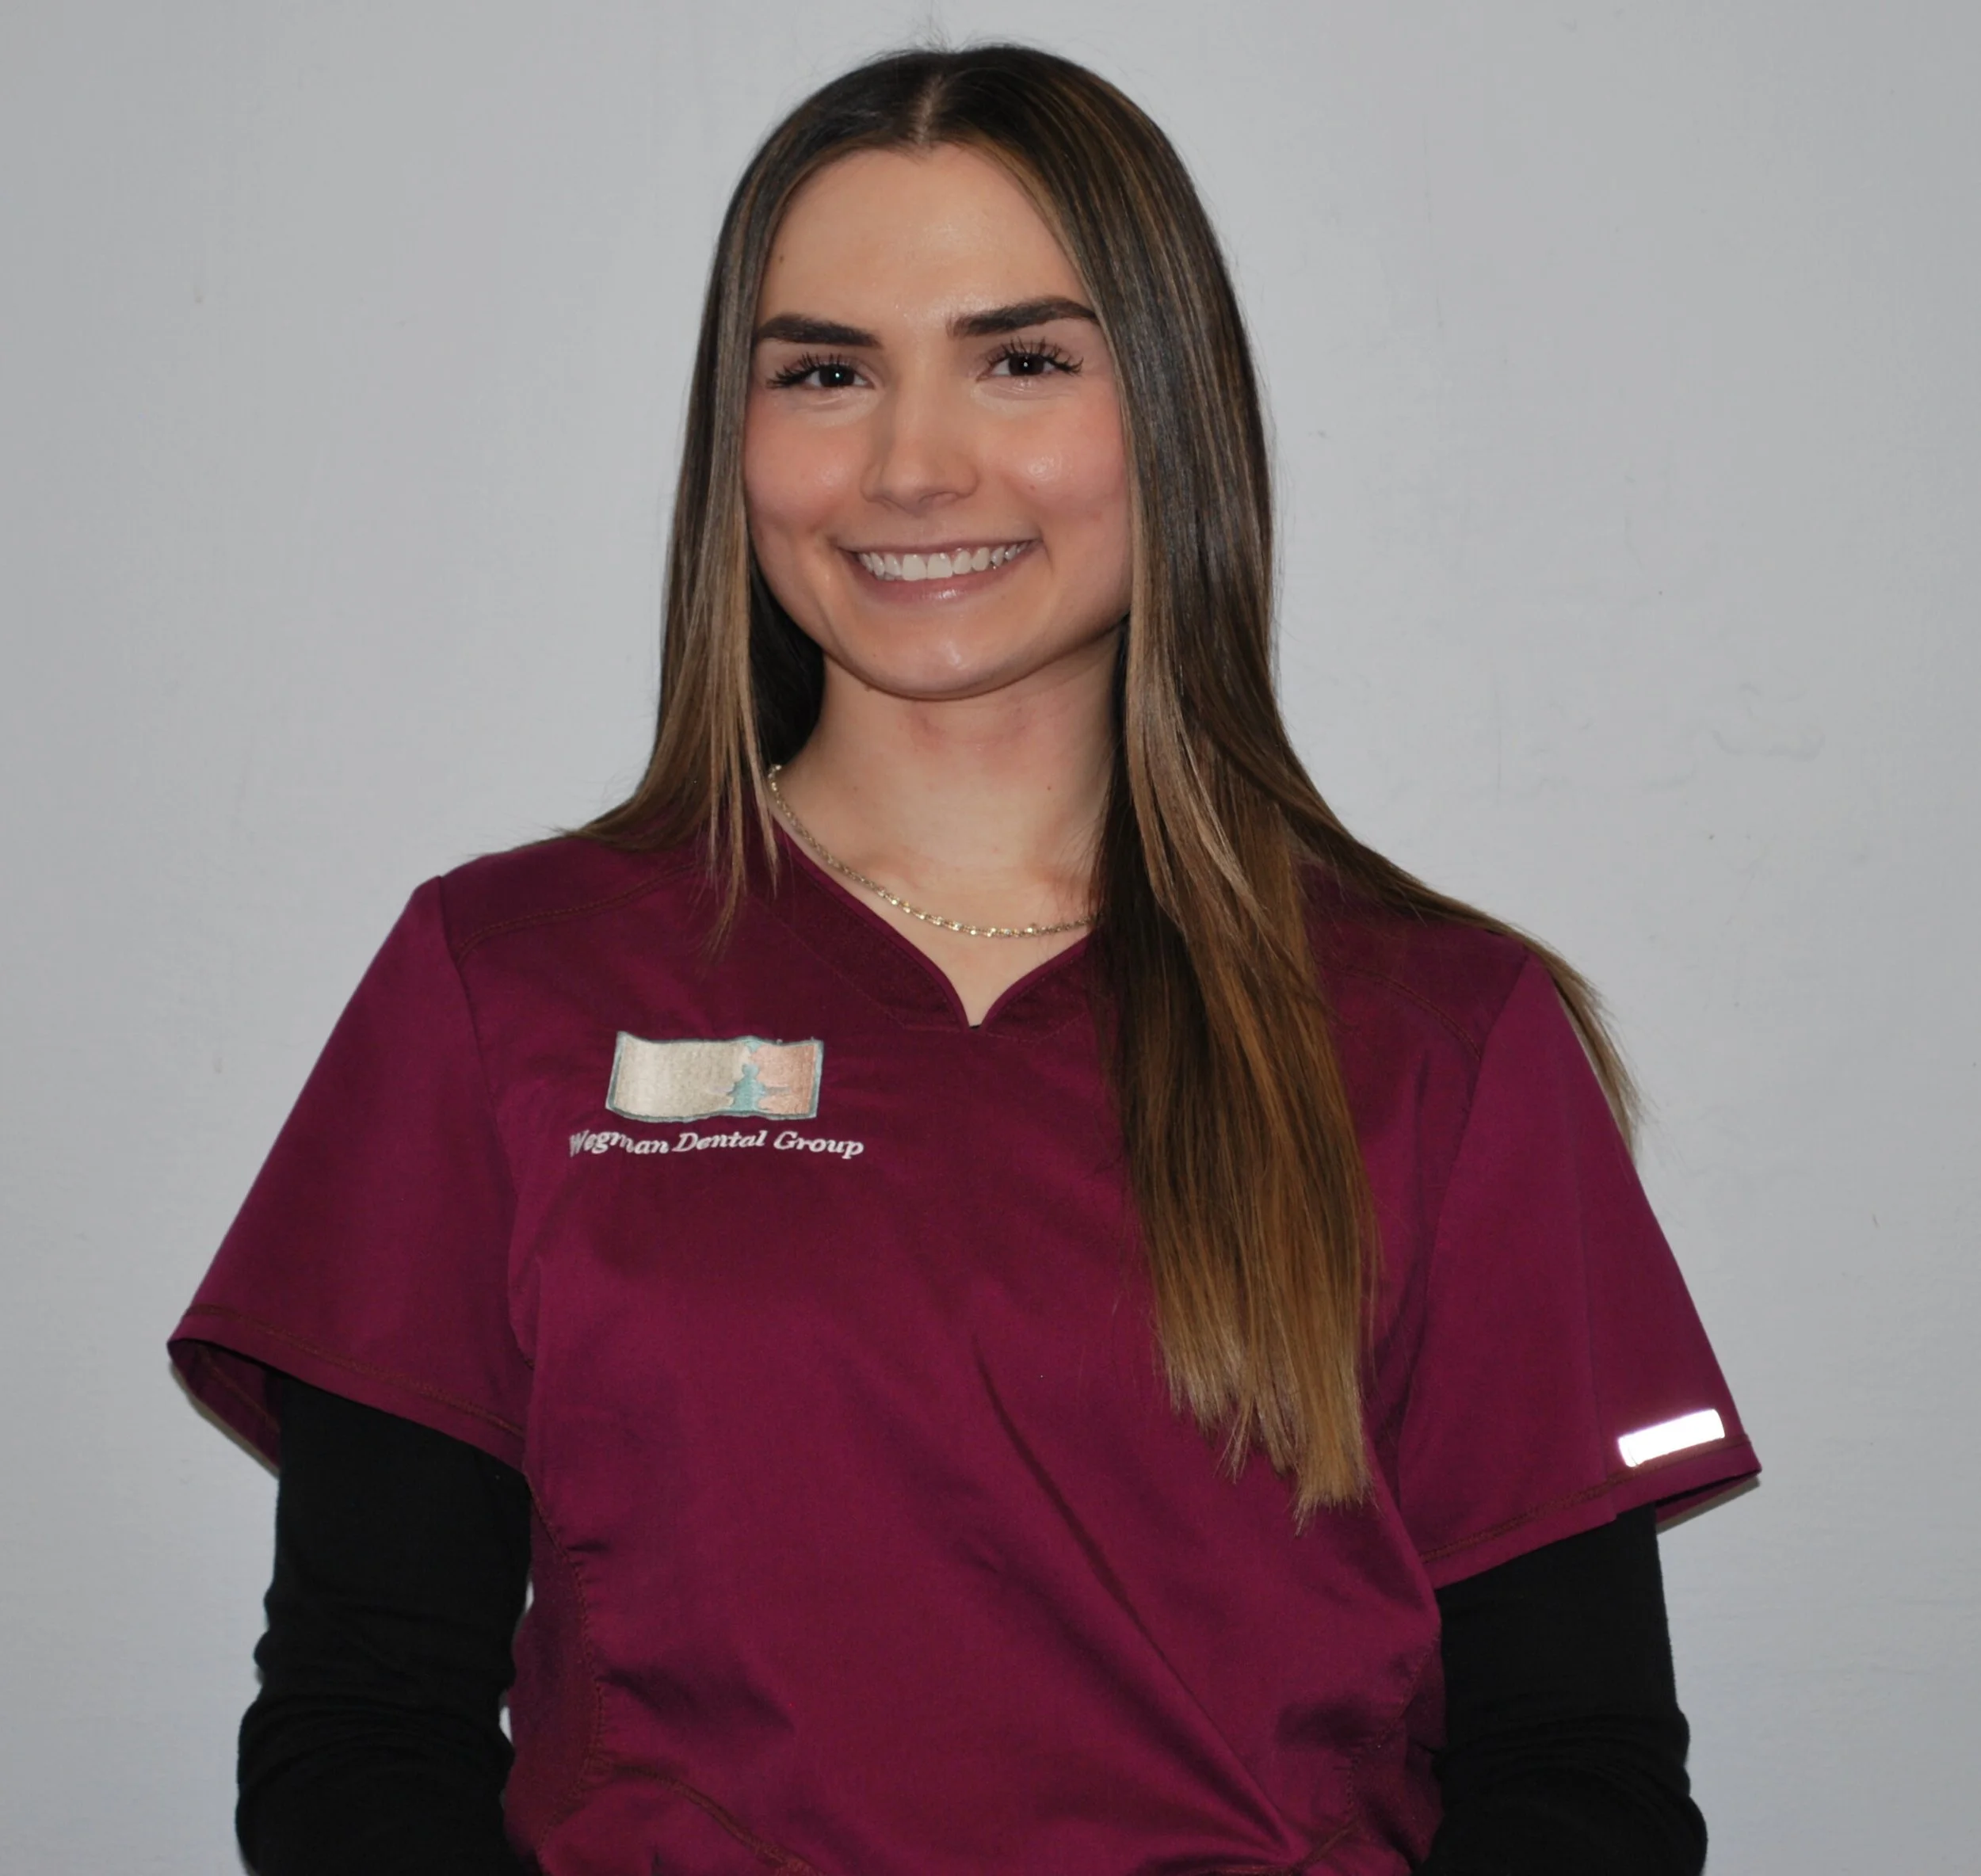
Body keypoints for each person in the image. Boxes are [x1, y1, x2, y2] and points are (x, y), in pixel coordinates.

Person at [170, 43, 1758, 1876]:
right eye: (825, 372)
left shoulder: (1444, 1034)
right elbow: (364, 1733)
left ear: (1167, 411)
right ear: (738, 438)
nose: (913, 465)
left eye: (1020, 359)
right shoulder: (500, 976)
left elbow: (1577, 1778)